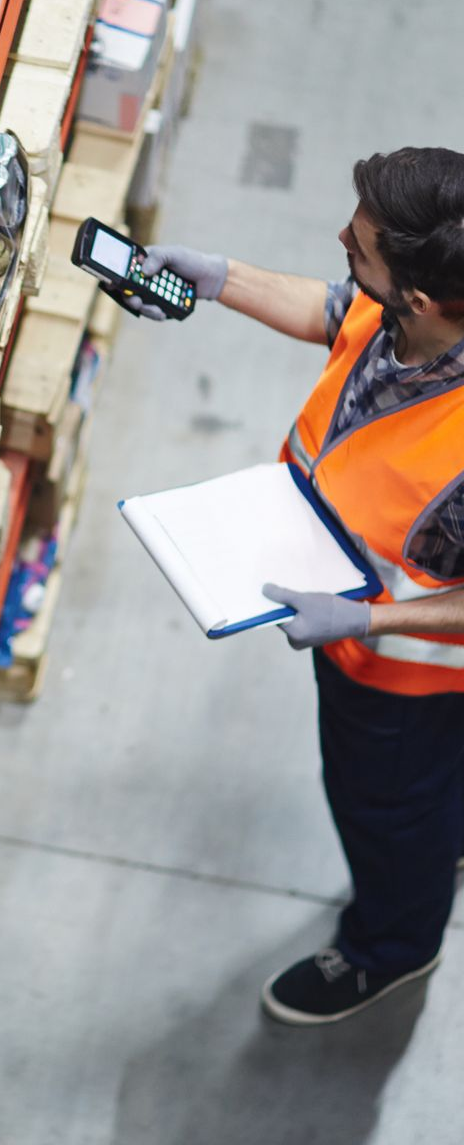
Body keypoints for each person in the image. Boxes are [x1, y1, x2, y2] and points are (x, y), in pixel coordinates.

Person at [134, 146, 464, 1026]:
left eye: (359, 249)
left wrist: (369, 616)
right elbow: (338, 310)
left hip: (403, 674)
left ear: (424, 300)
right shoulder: (410, 315)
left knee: (387, 808)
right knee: (437, 791)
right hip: (360, 622)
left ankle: (391, 947)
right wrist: (221, 278)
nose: (340, 253)